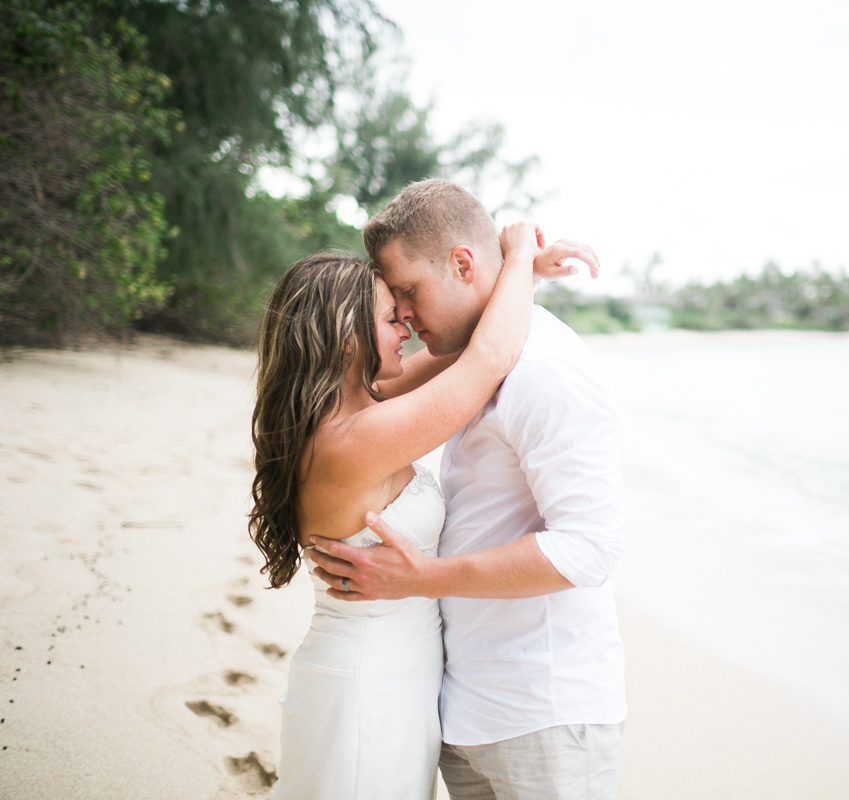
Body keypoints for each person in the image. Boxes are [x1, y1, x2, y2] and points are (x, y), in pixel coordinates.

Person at [308, 179, 627, 800]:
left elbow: (590, 549)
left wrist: (424, 578)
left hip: (544, 714)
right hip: (466, 712)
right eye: (392, 301)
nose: (402, 312)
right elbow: (483, 356)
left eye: (407, 290)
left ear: (461, 264)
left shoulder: (543, 370)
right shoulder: (472, 361)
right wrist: (517, 268)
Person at [249, 220, 588, 799]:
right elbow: (488, 359)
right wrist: (517, 251)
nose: (405, 323)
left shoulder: (358, 411)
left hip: (396, 678)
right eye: (389, 318)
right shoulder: (352, 440)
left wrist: (507, 275)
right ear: (345, 338)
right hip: (368, 685)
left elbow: (464, 347)